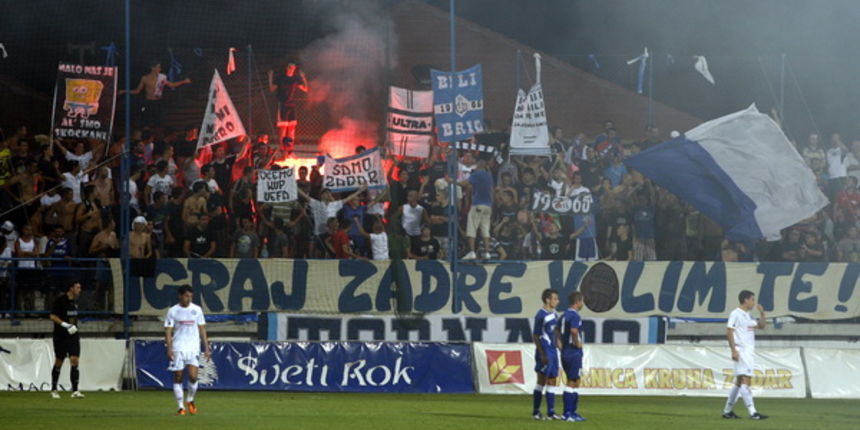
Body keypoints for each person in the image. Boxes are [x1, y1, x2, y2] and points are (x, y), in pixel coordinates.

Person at [164, 285, 211, 416]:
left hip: (193, 348)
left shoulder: (197, 309)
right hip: (178, 347)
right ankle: (180, 407)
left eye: (190, 296)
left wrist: (206, 348)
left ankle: (190, 399)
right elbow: (168, 331)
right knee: (178, 376)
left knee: (193, 376)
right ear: (180, 296)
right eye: (186, 296)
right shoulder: (173, 311)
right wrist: (169, 348)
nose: (188, 299)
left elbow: (202, 329)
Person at [722, 290, 768, 420]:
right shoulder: (735, 314)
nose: (753, 302)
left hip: (748, 351)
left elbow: (761, 326)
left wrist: (762, 313)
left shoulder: (748, 315)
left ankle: (727, 411)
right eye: (752, 299)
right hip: (741, 350)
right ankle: (753, 412)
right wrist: (733, 350)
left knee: (738, 382)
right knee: (746, 380)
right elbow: (729, 331)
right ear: (746, 300)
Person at [122, 60, 191, 127]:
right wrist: (124, 91)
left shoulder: (162, 78)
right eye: (158, 67)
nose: (160, 69)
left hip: (158, 103)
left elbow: (172, 85)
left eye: (160, 67)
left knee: (159, 124)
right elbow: (137, 91)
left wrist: (183, 81)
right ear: (153, 68)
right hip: (148, 103)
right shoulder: (145, 78)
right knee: (146, 123)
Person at [48, 281, 84, 399]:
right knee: (59, 361)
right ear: (71, 288)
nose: (80, 290)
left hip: (73, 335)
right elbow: (52, 316)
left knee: (74, 360)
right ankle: (54, 389)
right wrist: (65, 325)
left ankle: (75, 390)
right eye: (77, 287)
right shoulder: (60, 300)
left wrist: (73, 327)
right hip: (60, 336)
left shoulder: (76, 302)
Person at [532, 288, 561, 421]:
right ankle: (536, 412)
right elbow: (536, 336)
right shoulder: (540, 315)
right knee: (541, 381)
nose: (557, 301)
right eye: (555, 298)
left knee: (553, 380)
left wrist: (561, 348)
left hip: (553, 351)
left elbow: (555, 334)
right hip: (544, 351)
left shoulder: (554, 314)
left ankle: (551, 412)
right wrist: (542, 353)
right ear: (547, 300)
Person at [559, 291, 586, 422]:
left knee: (576, 380)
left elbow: (556, 332)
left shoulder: (563, 315)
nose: (583, 304)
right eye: (582, 301)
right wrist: (577, 343)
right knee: (572, 381)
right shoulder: (575, 316)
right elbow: (574, 331)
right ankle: (567, 413)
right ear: (578, 302)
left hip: (565, 352)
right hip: (573, 352)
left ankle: (573, 412)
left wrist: (560, 347)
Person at [267, 62, 308, 147]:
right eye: (290, 67)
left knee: (292, 128)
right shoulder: (281, 78)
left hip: (291, 105)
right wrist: (270, 77)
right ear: (287, 68)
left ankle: (290, 149)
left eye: (293, 68)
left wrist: (303, 78)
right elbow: (271, 89)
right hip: (283, 104)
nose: (291, 69)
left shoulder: (295, 79)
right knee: (283, 128)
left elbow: (305, 89)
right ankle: (283, 148)